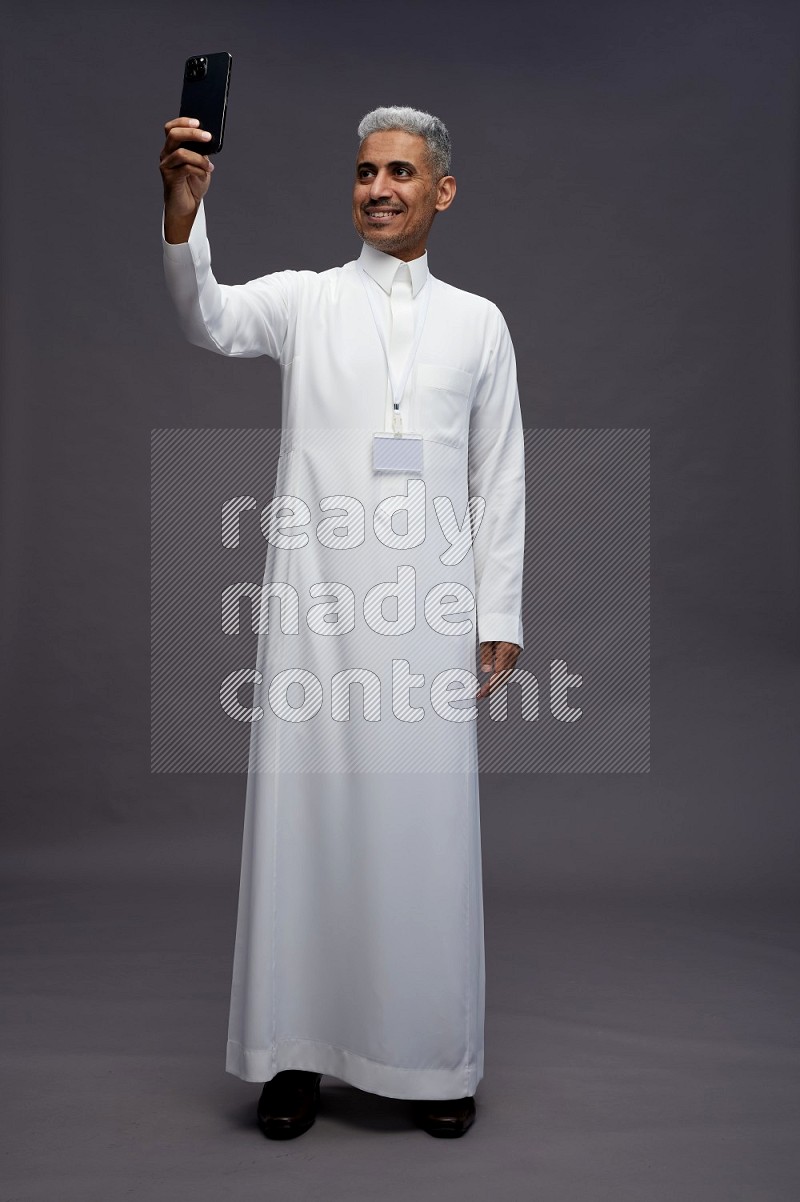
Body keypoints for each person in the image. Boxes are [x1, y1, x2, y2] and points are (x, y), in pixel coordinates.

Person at [159, 105, 525, 1139]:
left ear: (440, 192)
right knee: (305, 828)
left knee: (423, 835)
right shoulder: (306, 303)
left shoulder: (477, 323)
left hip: (425, 613)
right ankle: (293, 1056)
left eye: (401, 173)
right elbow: (210, 317)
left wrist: (495, 608)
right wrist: (184, 212)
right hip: (318, 612)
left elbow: (499, 475)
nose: (378, 187)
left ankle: (429, 1059)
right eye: (365, 171)